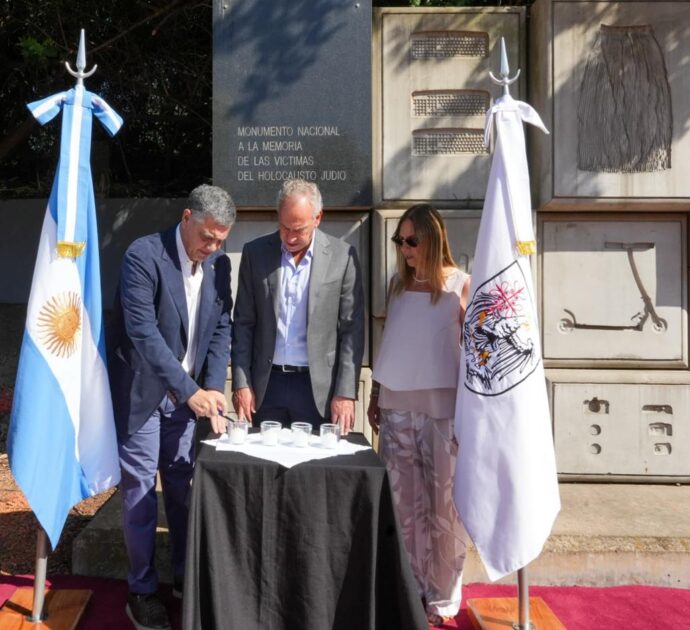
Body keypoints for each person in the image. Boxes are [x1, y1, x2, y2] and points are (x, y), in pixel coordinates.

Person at [108, 184, 235, 630]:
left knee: (182, 490)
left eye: (221, 240)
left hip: (186, 403)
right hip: (144, 395)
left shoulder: (219, 266)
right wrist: (188, 389)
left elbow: (221, 327)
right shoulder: (143, 256)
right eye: (207, 236)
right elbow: (144, 334)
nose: (213, 247)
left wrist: (213, 386)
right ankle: (141, 591)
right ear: (186, 217)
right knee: (141, 495)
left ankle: (185, 578)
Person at [367, 203, 470, 626]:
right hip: (395, 409)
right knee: (403, 505)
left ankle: (443, 597)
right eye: (400, 240)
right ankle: (410, 590)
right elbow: (393, 342)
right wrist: (375, 393)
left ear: (433, 238)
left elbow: (476, 355)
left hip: (443, 413)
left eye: (412, 240)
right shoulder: (396, 284)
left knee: (444, 510)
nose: (405, 248)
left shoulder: (462, 285)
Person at [231, 178, 364, 435]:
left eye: (299, 229)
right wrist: (241, 382)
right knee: (264, 467)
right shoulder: (255, 253)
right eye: (284, 227)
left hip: (318, 389)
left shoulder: (342, 257)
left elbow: (351, 330)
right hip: (266, 386)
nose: (290, 237)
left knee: (314, 472)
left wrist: (346, 392)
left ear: (318, 218)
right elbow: (244, 323)